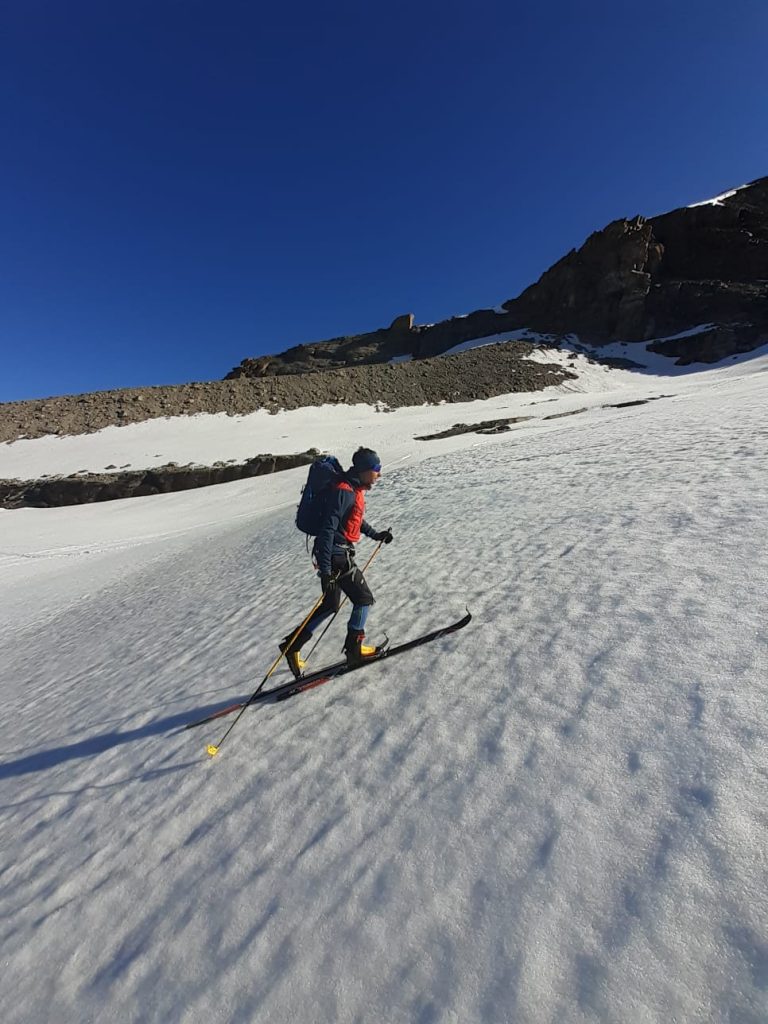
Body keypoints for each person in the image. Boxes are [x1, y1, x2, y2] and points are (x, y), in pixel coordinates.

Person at [280, 447, 393, 676]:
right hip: (336, 556)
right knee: (363, 599)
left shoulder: (351, 489)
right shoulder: (345, 491)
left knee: (330, 605)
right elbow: (327, 530)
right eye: (376, 469)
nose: (379, 474)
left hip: (334, 555)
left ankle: (292, 646)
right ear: (363, 470)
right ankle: (354, 651)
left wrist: (376, 534)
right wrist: (326, 571)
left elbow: (354, 519)